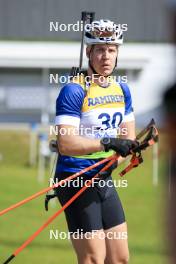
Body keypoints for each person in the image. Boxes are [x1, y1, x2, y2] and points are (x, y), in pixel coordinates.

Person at [54, 19, 137, 264]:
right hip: (75, 178)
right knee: (93, 258)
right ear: (88, 52)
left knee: (120, 258)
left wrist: (122, 153)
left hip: (103, 178)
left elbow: (128, 137)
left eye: (112, 50)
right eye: (100, 50)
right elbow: (66, 144)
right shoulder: (74, 90)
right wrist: (107, 143)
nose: (106, 56)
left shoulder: (122, 89)